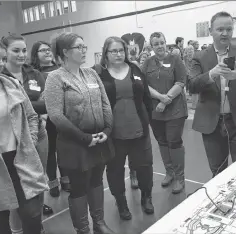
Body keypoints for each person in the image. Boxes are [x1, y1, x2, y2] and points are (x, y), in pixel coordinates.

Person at [44, 32, 115, 234]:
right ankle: (83, 229)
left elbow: (105, 104)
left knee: (96, 181)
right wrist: (85, 138)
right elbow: (56, 115)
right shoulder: (55, 78)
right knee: (78, 187)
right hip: (75, 144)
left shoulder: (91, 74)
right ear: (65, 52)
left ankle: (99, 223)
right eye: (79, 47)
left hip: (99, 139)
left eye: (84, 46)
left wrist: (107, 130)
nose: (84, 50)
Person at [0, 36, 47, 234]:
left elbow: (32, 117)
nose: (1, 64)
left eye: (2, 58)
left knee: (32, 215)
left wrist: (30, 142)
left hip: (20, 158)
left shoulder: (11, 85)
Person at [189, 11, 236, 177]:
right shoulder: (199, 57)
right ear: (210, 31)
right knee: (217, 171)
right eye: (220, 29)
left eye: (229, 29)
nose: (225, 33)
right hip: (212, 124)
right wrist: (211, 74)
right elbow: (192, 86)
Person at [93, 36, 155, 220]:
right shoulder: (98, 74)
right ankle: (121, 202)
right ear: (106, 53)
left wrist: (148, 118)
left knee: (144, 166)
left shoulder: (135, 69)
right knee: (115, 169)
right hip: (113, 133)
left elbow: (145, 96)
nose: (118, 54)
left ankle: (146, 197)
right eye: (114, 51)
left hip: (138, 129)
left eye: (121, 50)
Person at [0, 34, 52, 234]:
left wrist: (42, 116)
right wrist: (34, 106)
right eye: (16, 50)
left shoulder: (34, 74)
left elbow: (46, 102)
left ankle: (35, 224)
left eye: (23, 50)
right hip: (12, 141)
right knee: (16, 187)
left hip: (39, 134)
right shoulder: (0, 78)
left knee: (39, 182)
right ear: (5, 52)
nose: (21, 54)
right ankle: (17, 229)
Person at [141, 32, 188, 194]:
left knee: (174, 141)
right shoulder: (147, 62)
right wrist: (160, 98)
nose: (159, 46)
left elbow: (181, 81)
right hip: (155, 111)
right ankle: (170, 172)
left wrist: (166, 99)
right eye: (156, 44)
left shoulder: (176, 59)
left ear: (166, 43)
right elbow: (142, 84)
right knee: (161, 141)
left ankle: (180, 178)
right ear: (151, 46)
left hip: (175, 110)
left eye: (162, 42)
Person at [30, 41, 71, 197]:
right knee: (50, 151)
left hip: (64, 116)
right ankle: (53, 182)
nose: (47, 52)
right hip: (46, 118)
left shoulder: (62, 69)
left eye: (48, 50)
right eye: (42, 50)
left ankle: (66, 179)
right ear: (36, 54)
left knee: (63, 149)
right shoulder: (33, 74)